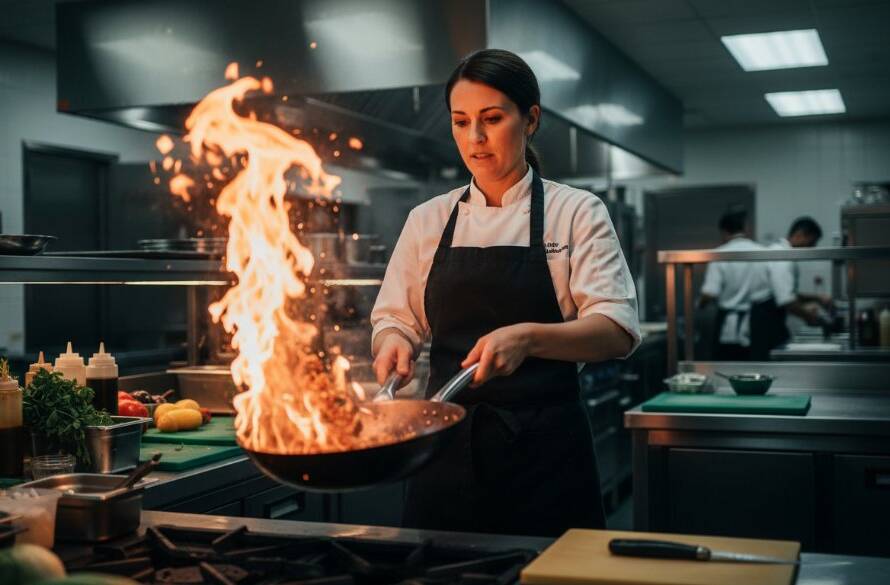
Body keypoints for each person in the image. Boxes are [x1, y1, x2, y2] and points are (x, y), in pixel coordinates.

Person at [369, 49, 640, 537]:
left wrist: (529, 338)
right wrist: (394, 342)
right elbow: (396, 318)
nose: (474, 138)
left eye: (492, 119)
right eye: (460, 121)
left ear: (530, 118)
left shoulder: (576, 211)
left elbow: (615, 330)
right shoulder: (428, 220)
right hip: (445, 448)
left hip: (547, 452)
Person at [750, 216, 830, 360]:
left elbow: (786, 293)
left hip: (767, 317)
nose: (812, 248)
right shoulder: (783, 258)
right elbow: (786, 300)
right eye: (812, 242)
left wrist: (817, 298)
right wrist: (810, 317)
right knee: (768, 364)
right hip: (766, 322)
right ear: (800, 235)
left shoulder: (779, 252)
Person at [698, 210, 771, 361]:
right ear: (745, 228)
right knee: (755, 368)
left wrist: (700, 304)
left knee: (728, 369)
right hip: (758, 322)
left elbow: (710, 292)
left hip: (728, 322)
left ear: (724, 231)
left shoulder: (719, 254)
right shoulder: (762, 252)